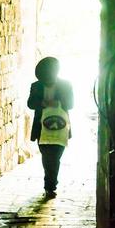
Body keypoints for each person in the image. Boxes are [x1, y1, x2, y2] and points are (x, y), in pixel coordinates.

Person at [27, 57, 73, 198]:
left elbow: (71, 104)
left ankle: (50, 184)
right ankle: (50, 184)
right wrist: (43, 102)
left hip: (60, 128)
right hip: (41, 128)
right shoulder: (36, 86)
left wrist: (57, 102)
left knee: (55, 156)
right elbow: (30, 103)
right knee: (47, 157)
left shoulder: (66, 85)